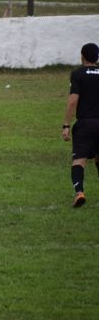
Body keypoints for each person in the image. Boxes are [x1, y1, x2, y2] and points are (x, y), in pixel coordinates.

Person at [61, 42, 99, 208]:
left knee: (79, 160)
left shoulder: (77, 74)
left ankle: (79, 192)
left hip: (85, 123)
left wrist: (66, 124)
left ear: (82, 56)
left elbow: (73, 101)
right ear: (97, 57)